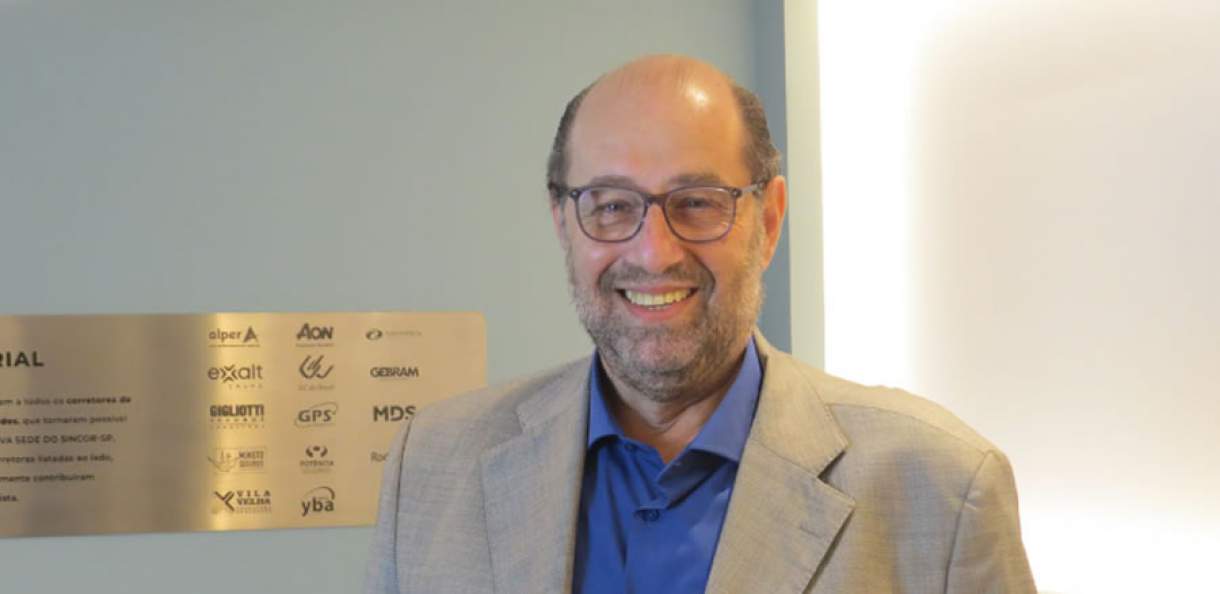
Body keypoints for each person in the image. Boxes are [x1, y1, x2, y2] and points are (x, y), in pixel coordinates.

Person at [365, 54, 1036, 594]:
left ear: (768, 221)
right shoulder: (432, 467)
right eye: (610, 205)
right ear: (563, 223)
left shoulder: (942, 489)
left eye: (697, 202)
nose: (655, 253)